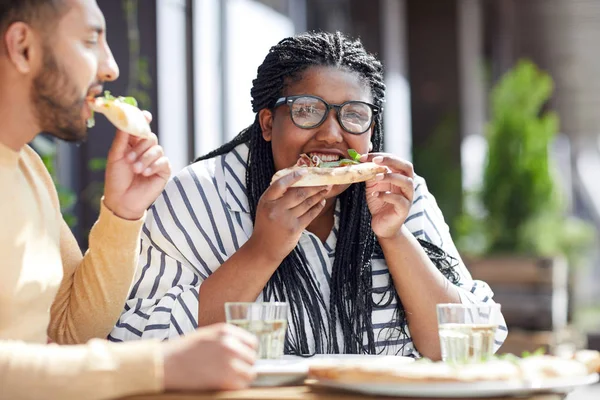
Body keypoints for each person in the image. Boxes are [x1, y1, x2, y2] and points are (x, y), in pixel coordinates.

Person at [111, 31, 507, 359]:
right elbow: (138, 349)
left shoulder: (401, 194)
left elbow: (465, 348)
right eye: (306, 110)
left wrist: (395, 237)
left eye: (353, 115)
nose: (332, 134)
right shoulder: (200, 194)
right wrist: (263, 250)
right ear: (268, 122)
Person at [0, 0, 257, 398]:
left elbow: (71, 334)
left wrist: (123, 212)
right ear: (22, 47)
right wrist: (160, 364)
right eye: (90, 40)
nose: (111, 68)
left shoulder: (28, 169)